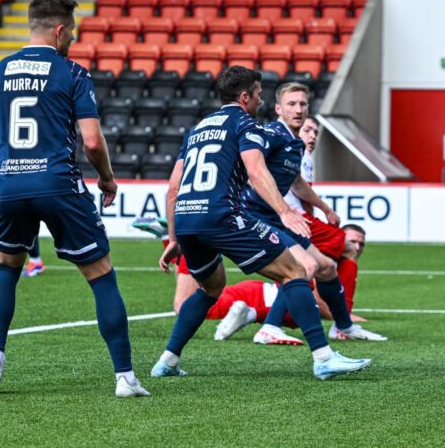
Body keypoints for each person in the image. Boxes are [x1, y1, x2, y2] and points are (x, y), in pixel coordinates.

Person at [0, 0, 149, 397]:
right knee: (101, 276)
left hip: (11, 184)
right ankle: (125, 378)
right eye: (72, 32)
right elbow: (92, 141)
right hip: (58, 183)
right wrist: (106, 178)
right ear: (59, 29)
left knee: (7, 268)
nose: (73, 40)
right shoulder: (72, 73)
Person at [151, 66, 371, 381]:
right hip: (222, 215)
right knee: (294, 271)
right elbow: (256, 170)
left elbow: (173, 187)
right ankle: (324, 358)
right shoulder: (245, 123)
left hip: (187, 217)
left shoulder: (197, 128)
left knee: (210, 288)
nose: (260, 100)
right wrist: (284, 211)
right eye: (257, 94)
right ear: (244, 97)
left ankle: (167, 361)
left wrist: (174, 237)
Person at [247, 83, 386, 345]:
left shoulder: (295, 143)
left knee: (327, 267)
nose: (298, 109)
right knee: (306, 266)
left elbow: (296, 181)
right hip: (259, 217)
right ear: (278, 108)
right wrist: (284, 210)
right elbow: (252, 170)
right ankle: (269, 326)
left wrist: (325, 208)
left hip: (278, 216)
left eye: (302, 104)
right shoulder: (272, 134)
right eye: (291, 104)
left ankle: (343, 327)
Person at [212, 223, 370, 341]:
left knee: (300, 315)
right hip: (256, 295)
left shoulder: (334, 266)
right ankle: (255, 317)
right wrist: (342, 316)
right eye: (351, 242)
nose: (356, 248)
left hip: (261, 296)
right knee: (200, 307)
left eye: (361, 244)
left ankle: (251, 314)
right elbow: (319, 302)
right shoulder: (323, 260)